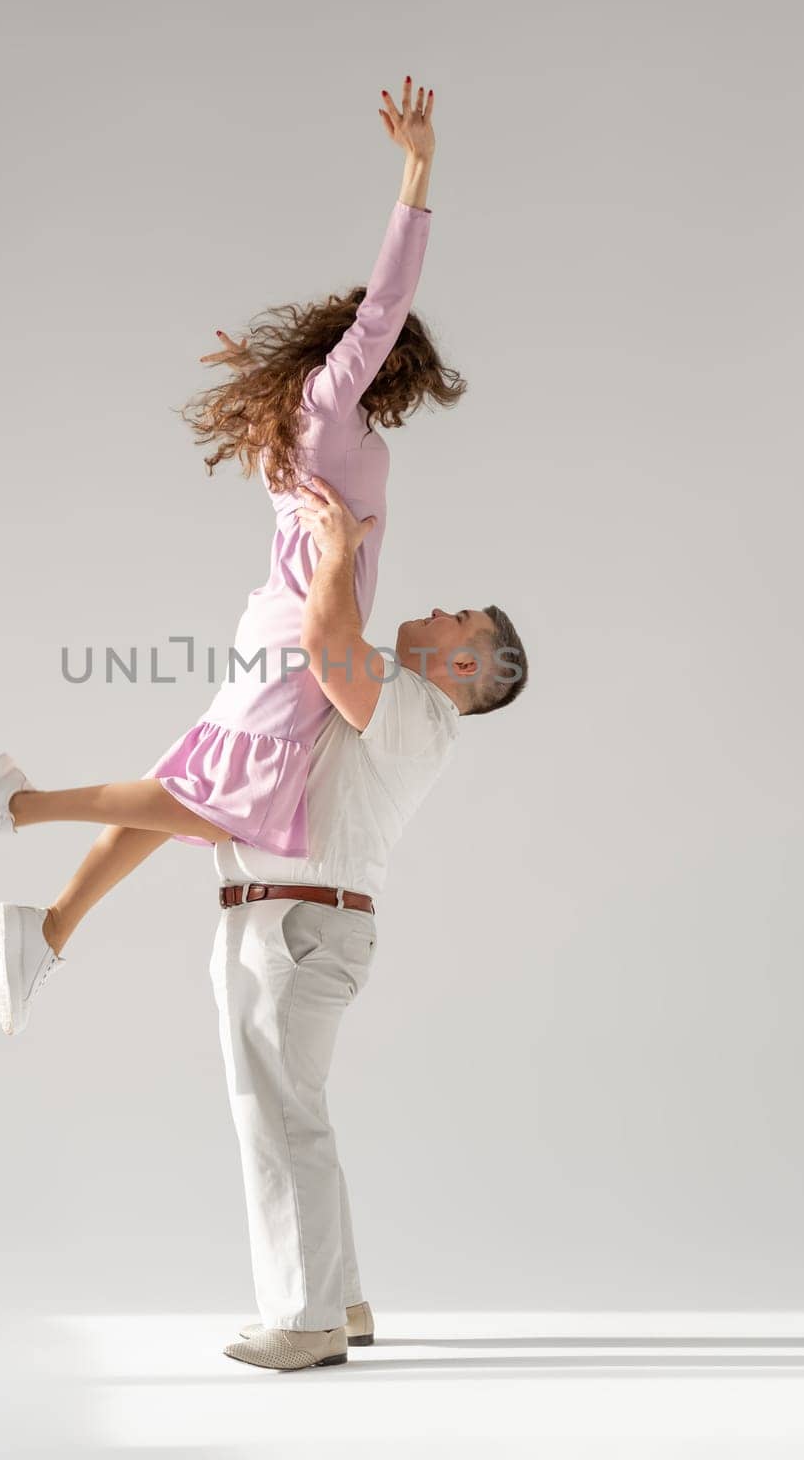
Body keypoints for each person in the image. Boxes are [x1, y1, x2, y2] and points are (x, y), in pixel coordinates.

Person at [0, 78, 483, 1038]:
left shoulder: (296, 415)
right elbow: (385, 299)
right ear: (375, 358)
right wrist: (418, 171)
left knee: (188, 793)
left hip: (284, 628)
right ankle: (19, 810)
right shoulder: (329, 401)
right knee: (206, 806)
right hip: (305, 635)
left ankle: (47, 925)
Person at [212, 476, 528, 1370]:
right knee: (292, 1113)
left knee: (276, 1121)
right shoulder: (405, 707)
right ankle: (339, 1300)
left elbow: (321, 642)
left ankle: (305, 1319)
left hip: (295, 930)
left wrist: (340, 549)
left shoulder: (417, 714)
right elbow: (326, 645)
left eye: (455, 618)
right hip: (295, 926)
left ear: (464, 668)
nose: (434, 610)